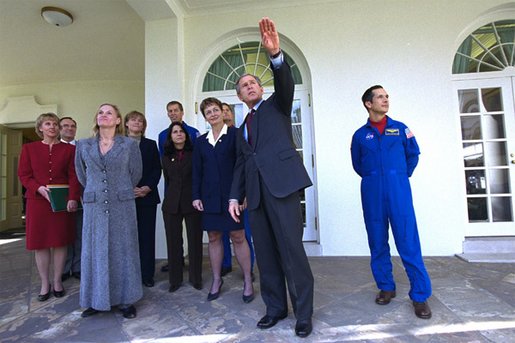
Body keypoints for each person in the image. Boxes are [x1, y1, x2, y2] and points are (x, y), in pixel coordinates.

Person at [228, 17, 314, 338]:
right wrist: (235, 197)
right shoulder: (241, 128)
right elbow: (241, 164)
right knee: (265, 254)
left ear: (261, 89)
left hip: (283, 189)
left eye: (252, 83)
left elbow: (286, 83)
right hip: (257, 198)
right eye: (243, 86)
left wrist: (276, 56)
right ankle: (275, 308)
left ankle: (303, 313)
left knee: (292, 251)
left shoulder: (278, 105)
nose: (249, 86)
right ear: (239, 97)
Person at [350, 85, 432, 319]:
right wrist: (375, 177)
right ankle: (386, 286)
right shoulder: (360, 135)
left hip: (398, 191)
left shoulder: (400, 128)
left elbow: (413, 154)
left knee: (408, 241)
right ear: (368, 103)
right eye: (380, 97)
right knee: (377, 241)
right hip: (372, 191)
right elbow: (357, 164)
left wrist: (398, 175)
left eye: (387, 96)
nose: (386, 100)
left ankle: (420, 295)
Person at [75, 103, 143, 319]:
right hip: (94, 206)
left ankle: (126, 300)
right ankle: (96, 300)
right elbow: (81, 175)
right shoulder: (83, 145)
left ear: (117, 120)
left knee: (124, 250)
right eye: (100, 112)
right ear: (96, 119)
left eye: (109, 113)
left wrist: (118, 188)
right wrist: (97, 189)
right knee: (95, 251)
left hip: (121, 204)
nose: (104, 116)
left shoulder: (130, 145)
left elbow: (136, 173)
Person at [193, 97, 254, 303]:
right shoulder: (200, 141)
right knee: (213, 237)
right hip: (210, 198)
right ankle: (217, 280)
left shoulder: (236, 135)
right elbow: (197, 171)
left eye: (215, 110)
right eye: (208, 112)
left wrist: (243, 194)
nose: (213, 114)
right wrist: (196, 196)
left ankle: (247, 280)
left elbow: (244, 165)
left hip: (233, 197)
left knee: (238, 236)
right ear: (205, 117)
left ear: (223, 112)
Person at [18, 113, 80, 301]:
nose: (52, 127)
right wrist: (39, 189)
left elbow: (74, 176)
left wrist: (73, 198)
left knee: (60, 242)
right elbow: (24, 175)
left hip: (62, 202)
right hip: (37, 202)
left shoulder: (69, 150)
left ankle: (57, 281)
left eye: (55, 124)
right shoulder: (29, 149)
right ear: (40, 128)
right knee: (40, 244)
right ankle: (45, 283)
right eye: (48, 124)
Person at [157, 101, 200, 273]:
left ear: (182, 112)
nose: (173, 113)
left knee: (193, 233)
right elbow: (165, 164)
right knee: (174, 234)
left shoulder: (193, 133)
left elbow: (196, 163)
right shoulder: (162, 135)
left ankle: (194, 266)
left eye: (176, 110)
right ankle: (177, 261)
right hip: (173, 189)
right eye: (170, 111)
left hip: (190, 190)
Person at [161, 121, 203, 292]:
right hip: (171, 204)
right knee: (173, 243)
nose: (178, 134)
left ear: (186, 135)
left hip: (192, 202)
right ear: (170, 136)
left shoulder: (195, 154)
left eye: (181, 131)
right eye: (175, 132)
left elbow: (199, 178)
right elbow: (168, 180)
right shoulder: (165, 156)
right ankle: (175, 280)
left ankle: (195, 278)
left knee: (195, 241)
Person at [124, 111, 161, 288]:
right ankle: (129, 275)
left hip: (147, 197)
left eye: (140, 121)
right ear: (126, 124)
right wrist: (127, 189)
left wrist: (147, 188)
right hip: (124, 199)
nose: (137, 123)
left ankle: (147, 275)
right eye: (133, 120)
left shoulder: (151, 144)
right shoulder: (118, 144)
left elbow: (157, 169)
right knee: (127, 238)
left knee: (147, 237)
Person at [220, 103, 255, 278]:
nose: (224, 113)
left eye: (227, 110)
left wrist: (246, 193)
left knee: (244, 232)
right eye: (222, 110)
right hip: (223, 193)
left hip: (241, 192)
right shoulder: (215, 137)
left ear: (232, 115)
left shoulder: (240, 134)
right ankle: (225, 263)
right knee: (223, 233)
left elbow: (246, 164)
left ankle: (248, 268)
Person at [59, 116, 83, 281]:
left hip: (82, 197)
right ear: (60, 129)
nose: (69, 129)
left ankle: (78, 267)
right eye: (65, 126)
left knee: (80, 233)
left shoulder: (83, 147)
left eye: (73, 126)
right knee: (64, 234)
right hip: (60, 197)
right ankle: (64, 268)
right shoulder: (55, 148)